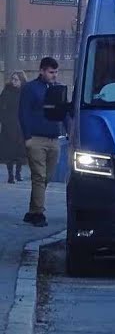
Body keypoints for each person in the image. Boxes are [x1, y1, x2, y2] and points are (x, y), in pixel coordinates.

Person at [19, 57, 67, 228]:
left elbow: (63, 112)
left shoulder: (58, 89)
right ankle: (39, 213)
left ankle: (32, 212)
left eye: (55, 72)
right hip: (36, 139)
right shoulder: (31, 89)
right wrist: (27, 138)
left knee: (46, 177)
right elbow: (23, 113)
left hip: (55, 139)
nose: (54, 75)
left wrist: (69, 132)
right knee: (39, 176)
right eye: (50, 72)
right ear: (42, 71)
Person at [0, 72, 25, 182]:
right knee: (9, 152)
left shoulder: (24, 93)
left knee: (20, 151)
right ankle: (10, 175)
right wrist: (4, 121)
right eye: (13, 79)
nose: (13, 81)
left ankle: (18, 174)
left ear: (21, 81)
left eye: (16, 79)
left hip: (20, 125)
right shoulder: (6, 91)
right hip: (8, 125)